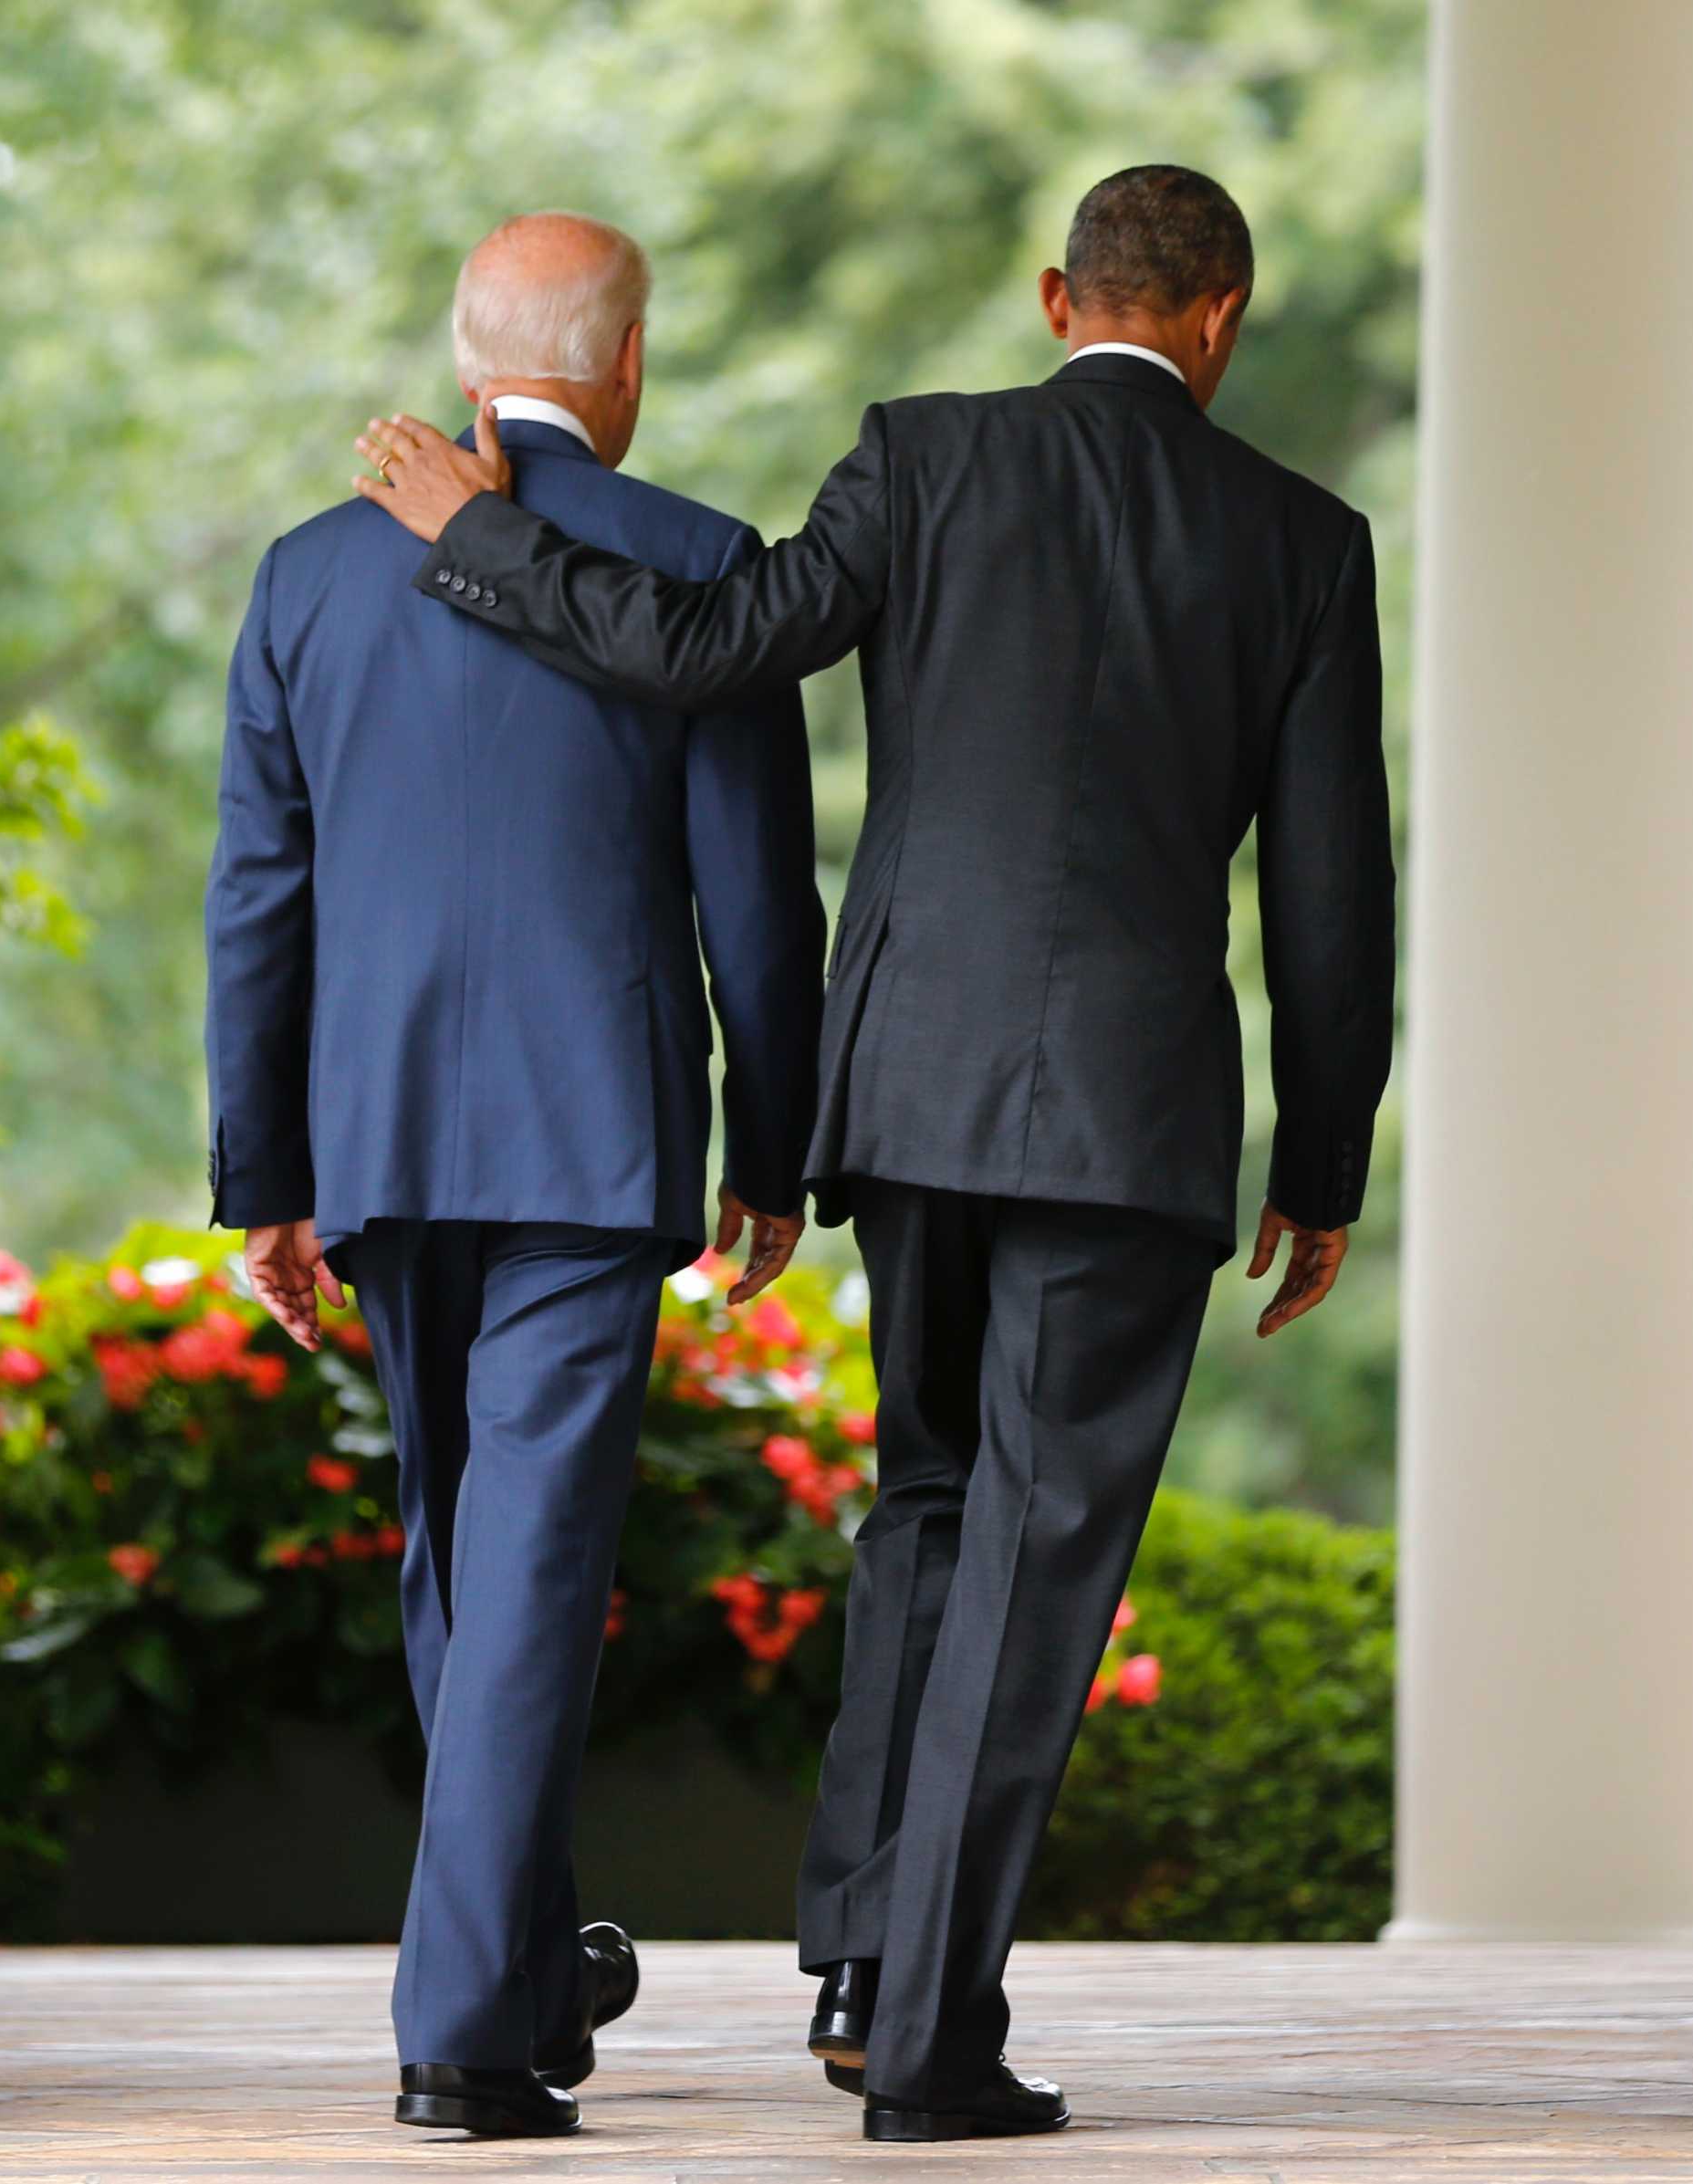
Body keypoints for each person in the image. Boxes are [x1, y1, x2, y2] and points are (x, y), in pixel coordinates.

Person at [350, 165, 1395, 2142]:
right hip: (1126, 1116)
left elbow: (710, 647)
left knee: (926, 1504)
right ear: (1224, 316)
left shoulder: (922, 460)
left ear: (1047, 293)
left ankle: (855, 1965)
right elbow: (1336, 895)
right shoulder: (1302, 540)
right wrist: (1322, 1159)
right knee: (1039, 1555)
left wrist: (487, 543)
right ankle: (926, 2041)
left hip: (906, 1091)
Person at [204, 211, 826, 2138]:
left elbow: (258, 899)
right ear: (624, 364)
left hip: (379, 1136)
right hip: (594, 1131)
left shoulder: (308, 579)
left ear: (466, 357)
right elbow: (759, 904)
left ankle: (533, 1965)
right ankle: (462, 2034)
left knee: (462, 1555)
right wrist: (775, 1142)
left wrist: (265, 1174)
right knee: (530, 1563)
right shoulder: (703, 568)